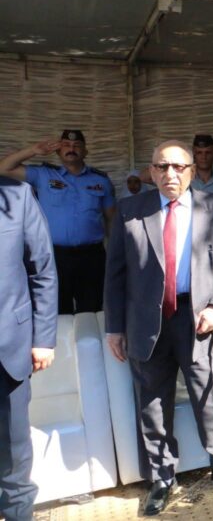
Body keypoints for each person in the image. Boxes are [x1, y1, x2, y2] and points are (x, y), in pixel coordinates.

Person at [104, 140, 213, 516]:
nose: (170, 174)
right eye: (162, 166)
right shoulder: (130, 211)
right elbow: (115, 273)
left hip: (199, 317)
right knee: (152, 402)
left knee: (211, 395)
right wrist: (114, 327)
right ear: (151, 172)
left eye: (179, 167)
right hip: (146, 321)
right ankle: (161, 477)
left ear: (192, 171)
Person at [0, 130, 116, 314]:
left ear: (85, 151)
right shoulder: (43, 175)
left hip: (92, 257)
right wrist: (33, 150)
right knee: (56, 311)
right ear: (58, 151)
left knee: (92, 310)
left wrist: (115, 252)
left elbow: (112, 219)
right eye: (66, 145)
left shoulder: (101, 180)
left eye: (77, 145)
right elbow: (4, 168)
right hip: (54, 256)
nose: (72, 148)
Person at [0, 177, 58, 521]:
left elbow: (43, 269)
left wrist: (43, 338)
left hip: (8, 343)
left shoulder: (16, 195)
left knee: (13, 442)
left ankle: (18, 513)